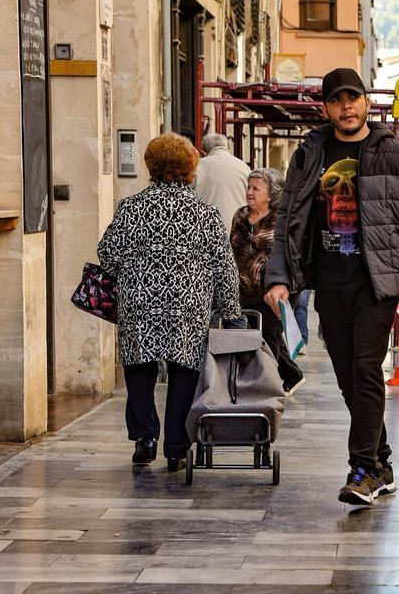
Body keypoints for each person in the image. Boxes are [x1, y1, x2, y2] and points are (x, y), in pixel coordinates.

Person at [265, 67, 399, 507]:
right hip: (328, 283)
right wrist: (278, 278)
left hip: (378, 283)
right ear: (326, 108)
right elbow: (287, 220)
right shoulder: (310, 155)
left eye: (354, 97)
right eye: (337, 99)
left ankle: (362, 469)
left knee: (366, 370)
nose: (347, 106)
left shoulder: (398, 157)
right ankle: (382, 462)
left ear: (366, 102)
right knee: (350, 380)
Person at [97, 133, 241, 471]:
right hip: (187, 306)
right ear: (191, 169)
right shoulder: (205, 213)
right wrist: (232, 312)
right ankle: (176, 446)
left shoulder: (132, 207)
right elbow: (223, 266)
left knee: (139, 369)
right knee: (184, 372)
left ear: (151, 167)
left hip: (140, 303)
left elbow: (107, 253)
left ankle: (144, 437)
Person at [230, 167, 305, 395]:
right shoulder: (240, 215)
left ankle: (267, 385)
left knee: (268, 335)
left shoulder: (282, 219)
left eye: (256, 188)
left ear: (271, 194)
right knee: (257, 334)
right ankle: (292, 375)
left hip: (275, 289)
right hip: (245, 289)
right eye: (249, 187)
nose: (250, 192)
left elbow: (292, 255)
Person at [193, 132, 250, 225]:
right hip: (238, 227)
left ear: (203, 152)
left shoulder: (198, 166)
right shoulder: (243, 167)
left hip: (206, 227)